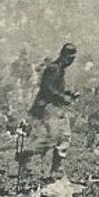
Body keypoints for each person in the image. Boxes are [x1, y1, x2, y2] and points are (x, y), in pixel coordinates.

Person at [17, 41, 79, 176]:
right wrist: (64, 98)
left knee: (64, 137)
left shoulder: (59, 69)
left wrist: (68, 92)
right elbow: (47, 88)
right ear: (65, 57)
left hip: (56, 107)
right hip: (49, 107)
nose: (72, 62)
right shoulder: (54, 68)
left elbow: (55, 88)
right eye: (71, 58)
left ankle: (56, 168)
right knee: (53, 138)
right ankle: (27, 154)